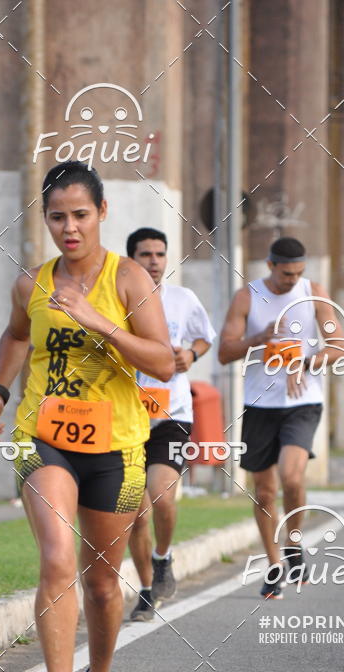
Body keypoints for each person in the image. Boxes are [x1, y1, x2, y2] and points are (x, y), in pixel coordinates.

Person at [0, 162, 174, 672]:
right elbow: (17, 337)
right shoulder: (30, 284)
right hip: (45, 435)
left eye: (80, 215)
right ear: (46, 219)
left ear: (102, 214)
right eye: (57, 216)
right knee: (58, 558)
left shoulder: (129, 279)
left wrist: (96, 321)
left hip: (114, 445)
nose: (69, 227)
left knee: (101, 583)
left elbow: (164, 362)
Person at [218, 236, 344, 599]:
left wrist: (304, 361)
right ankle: (274, 566)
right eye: (287, 273)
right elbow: (225, 353)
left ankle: (293, 542)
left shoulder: (314, 292)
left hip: (303, 401)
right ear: (271, 266)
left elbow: (338, 347)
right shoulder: (247, 297)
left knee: (291, 476)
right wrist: (258, 337)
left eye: (299, 273)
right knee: (265, 490)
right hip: (260, 405)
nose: (293, 280)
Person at [125, 228, 216, 621]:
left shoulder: (183, 299)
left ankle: (163, 559)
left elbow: (205, 338)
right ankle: (147, 589)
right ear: (132, 260)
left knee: (161, 495)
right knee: (135, 512)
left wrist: (191, 355)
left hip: (173, 414)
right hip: (127, 416)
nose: (154, 261)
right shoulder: (116, 300)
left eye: (160, 254)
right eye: (146, 254)